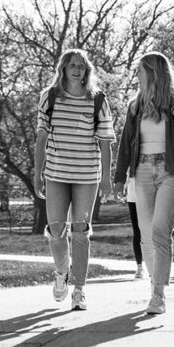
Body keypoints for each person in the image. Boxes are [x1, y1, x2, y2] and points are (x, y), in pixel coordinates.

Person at [114, 51, 174, 315]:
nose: (137, 75)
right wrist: (120, 177)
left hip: (171, 172)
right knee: (145, 234)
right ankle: (156, 283)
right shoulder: (136, 105)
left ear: (153, 73)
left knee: (159, 231)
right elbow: (126, 143)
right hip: (142, 170)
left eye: (140, 70)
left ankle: (158, 294)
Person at [34, 49, 116, 312]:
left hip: (86, 176)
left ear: (87, 70)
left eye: (81, 66)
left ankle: (79, 290)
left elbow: (105, 142)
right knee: (57, 230)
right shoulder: (49, 97)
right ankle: (62, 273)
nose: (77, 70)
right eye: (72, 65)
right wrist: (37, 173)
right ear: (63, 69)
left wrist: (106, 177)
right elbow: (41, 138)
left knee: (80, 232)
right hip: (56, 174)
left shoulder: (98, 100)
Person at [125, 174, 145, 279]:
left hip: (150, 194)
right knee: (137, 232)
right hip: (133, 196)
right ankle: (139, 266)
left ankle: (153, 265)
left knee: (151, 231)